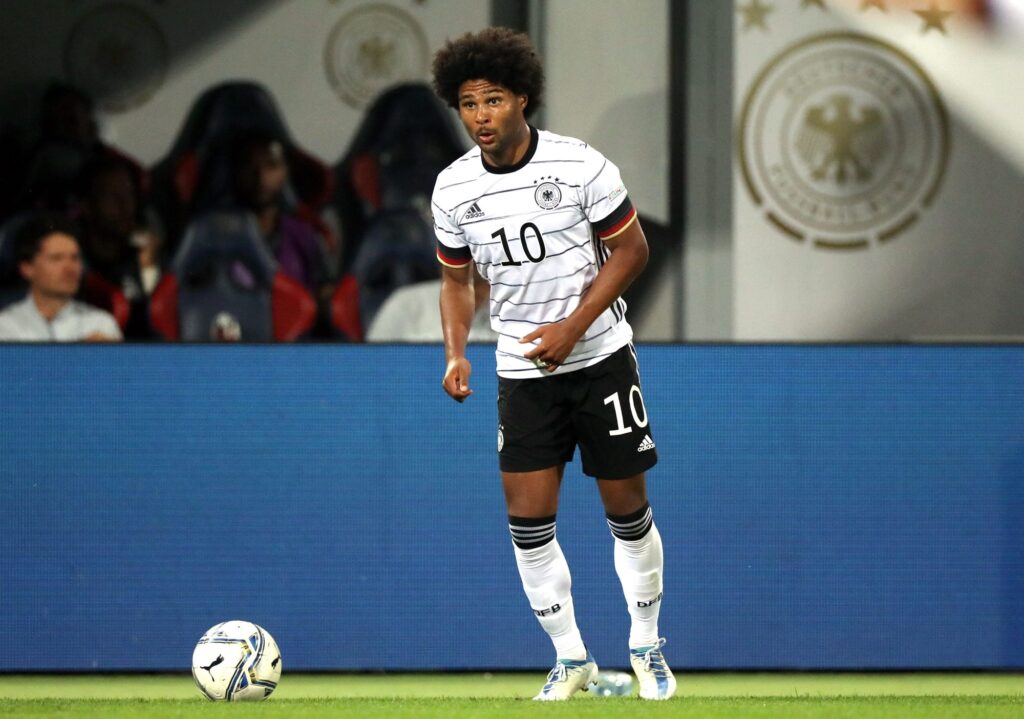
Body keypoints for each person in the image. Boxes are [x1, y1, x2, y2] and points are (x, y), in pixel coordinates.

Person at [431, 28, 675, 701]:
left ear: (522, 98)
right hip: (523, 371)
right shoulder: (452, 188)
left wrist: (573, 327)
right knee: (528, 522)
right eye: (468, 103)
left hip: (600, 359)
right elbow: (456, 280)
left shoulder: (578, 165)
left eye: (493, 99)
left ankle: (646, 644)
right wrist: (455, 351)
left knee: (627, 510)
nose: (481, 115)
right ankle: (572, 659)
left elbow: (632, 250)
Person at [77, 155, 163, 338]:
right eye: (111, 196)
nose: (125, 205)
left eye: (129, 194)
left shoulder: (143, 256)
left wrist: (150, 267)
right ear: (87, 206)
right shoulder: (73, 266)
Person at [0, 213, 122, 341]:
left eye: (75, 258)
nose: (70, 268)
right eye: (56, 258)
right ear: (27, 268)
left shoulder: (101, 324)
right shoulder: (5, 326)